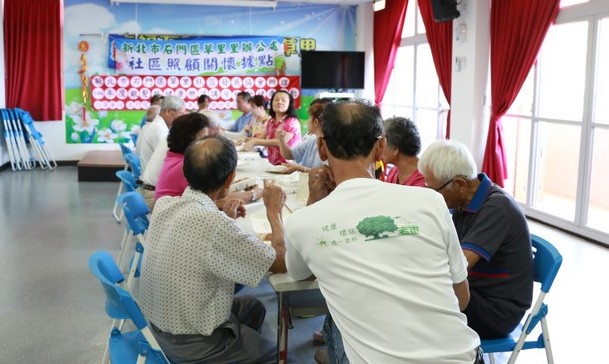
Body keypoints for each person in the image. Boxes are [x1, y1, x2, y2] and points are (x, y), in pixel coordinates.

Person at [284, 100, 482, 363]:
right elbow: (461, 297)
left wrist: (314, 204)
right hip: (464, 357)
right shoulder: (431, 201)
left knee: (336, 317)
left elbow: (298, 275)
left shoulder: (302, 222)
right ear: (380, 147)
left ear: (321, 147)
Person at [139, 135, 287, 364]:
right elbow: (279, 262)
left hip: (159, 328)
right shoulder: (213, 224)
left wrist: (224, 218)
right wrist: (274, 212)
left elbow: (196, 239)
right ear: (230, 179)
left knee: (253, 307)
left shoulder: (165, 204)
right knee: (284, 357)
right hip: (191, 343)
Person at [418, 139, 534, 339]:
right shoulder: (464, 202)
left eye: (434, 190)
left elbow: (459, 265)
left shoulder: (497, 209)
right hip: (474, 292)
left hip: (496, 311)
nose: (431, 195)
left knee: (415, 309)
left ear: (460, 184)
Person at [154, 113, 261, 204]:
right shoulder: (186, 165)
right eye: (204, 138)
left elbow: (210, 191)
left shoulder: (175, 157)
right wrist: (255, 194)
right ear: (189, 139)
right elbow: (214, 201)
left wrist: (234, 184)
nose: (208, 142)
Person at [242, 90, 302, 165]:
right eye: (276, 99)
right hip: (272, 164)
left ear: (289, 104)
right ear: (272, 103)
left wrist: (254, 142)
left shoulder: (292, 121)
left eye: (283, 100)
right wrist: (247, 140)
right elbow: (263, 137)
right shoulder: (271, 121)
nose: (279, 102)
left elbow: (279, 142)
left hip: (288, 166)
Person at [275, 98, 330, 174]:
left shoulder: (330, 144)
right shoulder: (312, 139)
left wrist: (300, 168)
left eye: (309, 118)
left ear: (316, 122)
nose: (307, 121)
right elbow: (290, 155)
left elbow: (326, 173)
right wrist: (281, 140)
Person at [135, 95, 185, 170]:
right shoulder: (158, 128)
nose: (181, 118)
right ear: (168, 111)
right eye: (181, 114)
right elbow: (166, 159)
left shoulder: (160, 126)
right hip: (153, 179)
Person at [382, 116, 426, 187]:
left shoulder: (424, 180)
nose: (379, 148)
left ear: (395, 149)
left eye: (382, 144)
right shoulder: (392, 173)